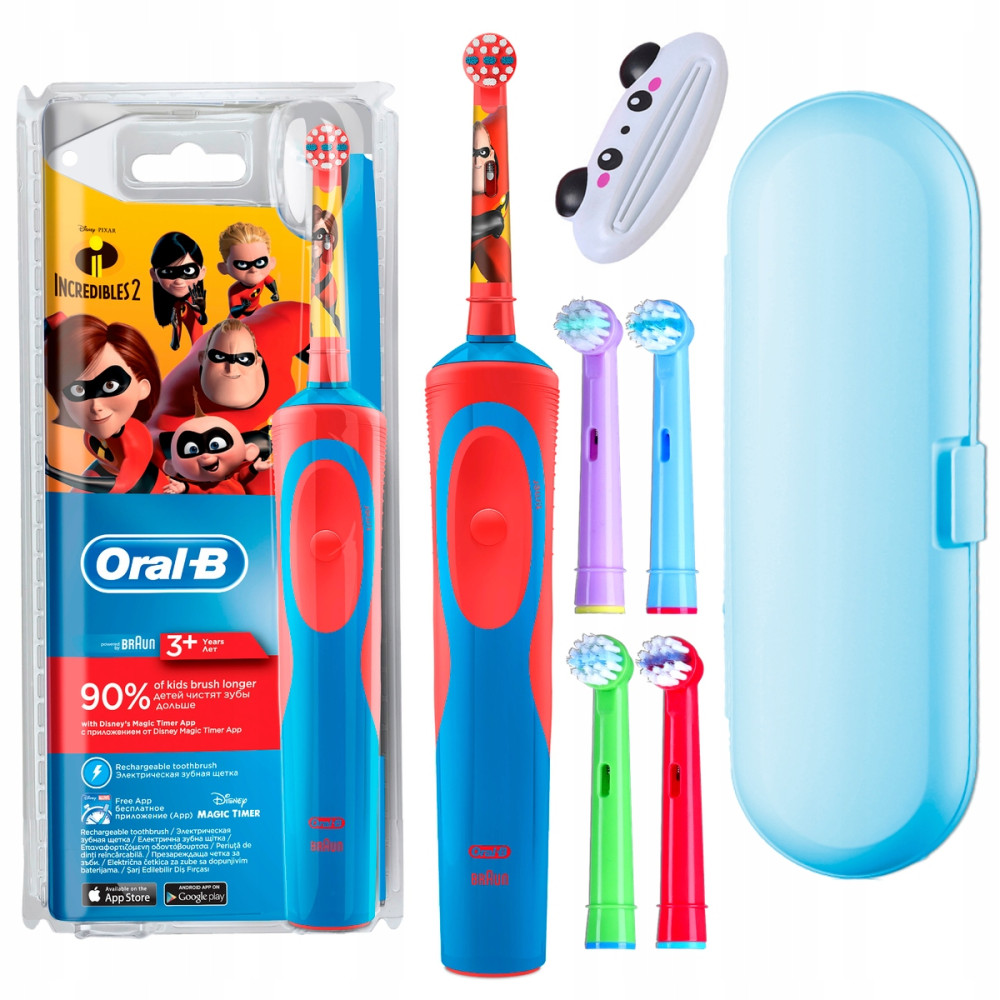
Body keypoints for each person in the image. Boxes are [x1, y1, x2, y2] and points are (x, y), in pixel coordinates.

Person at [44, 313, 167, 494]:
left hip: (148, 492)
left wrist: (53, 472)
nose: (96, 406)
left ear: (143, 387)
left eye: (111, 385)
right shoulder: (94, 431)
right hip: (104, 475)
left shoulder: (134, 436)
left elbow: (121, 485)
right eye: (78, 390)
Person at [150, 231, 208, 350]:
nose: (179, 281)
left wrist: (201, 312)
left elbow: (201, 326)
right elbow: (174, 346)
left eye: (188, 271)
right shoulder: (173, 307)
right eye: (168, 272)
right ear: (154, 275)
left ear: (202, 272)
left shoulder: (193, 302)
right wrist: (175, 331)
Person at [218, 221, 279, 318]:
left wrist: (275, 292)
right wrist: (242, 307)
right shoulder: (235, 291)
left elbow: (270, 282)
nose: (253, 269)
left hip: (257, 310)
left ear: (271, 262)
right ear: (224, 268)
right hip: (241, 316)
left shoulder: (263, 277)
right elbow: (234, 312)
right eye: (242, 264)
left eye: (260, 262)